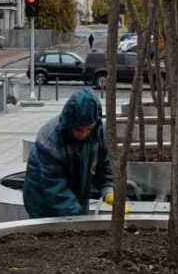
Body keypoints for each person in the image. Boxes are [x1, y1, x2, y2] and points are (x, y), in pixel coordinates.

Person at [24, 88, 126, 218]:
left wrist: (108, 189)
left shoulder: (98, 132)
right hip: (43, 201)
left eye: (88, 129)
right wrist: (78, 217)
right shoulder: (49, 142)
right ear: (69, 123)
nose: (83, 134)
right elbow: (56, 188)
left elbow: (104, 166)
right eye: (78, 129)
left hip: (76, 192)